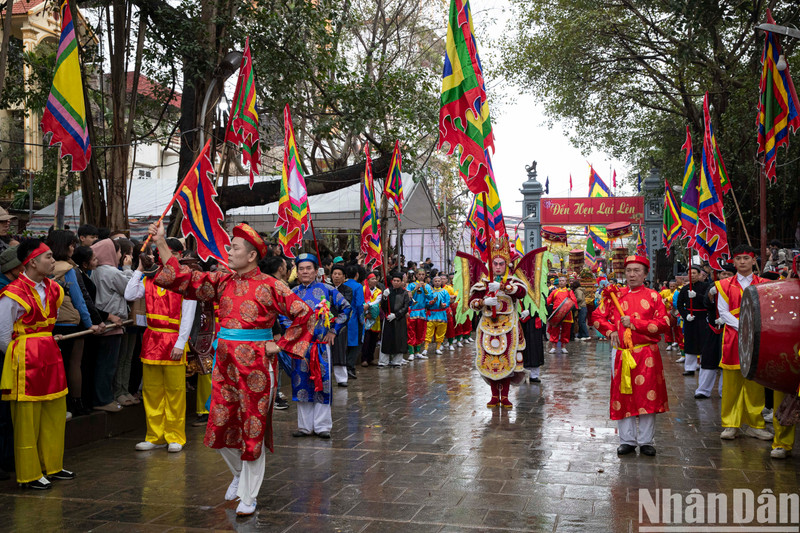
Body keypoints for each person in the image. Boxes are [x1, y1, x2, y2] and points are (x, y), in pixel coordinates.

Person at [147, 221, 315, 516]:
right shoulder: (223, 280)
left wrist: (280, 344)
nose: (229, 251)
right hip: (224, 365)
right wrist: (161, 243)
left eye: (235, 248)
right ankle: (239, 474)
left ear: (251, 255)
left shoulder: (271, 285)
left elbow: (305, 313)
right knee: (220, 423)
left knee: (253, 427)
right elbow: (186, 278)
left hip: (257, 367)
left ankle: (248, 495)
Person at [0, 239, 77, 489]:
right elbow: (3, 336)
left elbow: (49, 323)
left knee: (54, 411)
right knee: (27, 419)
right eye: (48, 257)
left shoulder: (54, 289)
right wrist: (23, 354)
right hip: (26, 361)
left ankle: (52, 466)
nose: (53, 261)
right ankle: (30, 473)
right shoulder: (12, 293)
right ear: (32, 262)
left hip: (50, 357)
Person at [592, 255, 670, 456]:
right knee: (623, 394)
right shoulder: (615, 295)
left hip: (647, 353)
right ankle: (626, 440)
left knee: (647, 395)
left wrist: (636, 324)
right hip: (622, 353)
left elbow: (664, 323)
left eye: (637, 270)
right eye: (629, 270)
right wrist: (610, 330)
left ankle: (646, 441)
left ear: (645, 274)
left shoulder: (654, 296)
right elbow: (597, 316)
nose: (632, 274)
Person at [126, 238, 197, 453]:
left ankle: (175, 435)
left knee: (175, 391)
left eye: (171, 253)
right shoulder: (151, 279)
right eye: (162, 253)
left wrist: (180, 343)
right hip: (152, 339)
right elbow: (129, 294)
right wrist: (139, 270)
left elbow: (188, 316)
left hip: (173, 340)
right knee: (152, 390)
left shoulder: (186, 280)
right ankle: (155, 436)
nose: (167, 258)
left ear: (179, 256)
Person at [285, 253, 349, 436]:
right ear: (297, 272)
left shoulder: (327, 290)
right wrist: (291, 332)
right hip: (300, 347)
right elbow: (282, 314)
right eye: (301, 269)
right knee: (301, 384)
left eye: (308, 268)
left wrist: (333, 330)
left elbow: (346, 308)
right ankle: (304, 427)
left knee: (323, 384)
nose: (305, 272)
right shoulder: (292, 293)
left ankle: (322, 427)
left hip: (320, 346)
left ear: (316, 271)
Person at [716, 245, 771, 441]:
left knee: (754, 382)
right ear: (733, 261)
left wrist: (752, 328)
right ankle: (730, 424)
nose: (742, 262)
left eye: (746, 258)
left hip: (757, 337)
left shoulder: (764, 284)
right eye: (738, 258)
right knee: (731, 383)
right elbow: (723, 312)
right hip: (733, 336)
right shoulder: (724, 285)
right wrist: (743, 326)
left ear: (753, 260)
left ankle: (755, 424)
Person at [468, 234, 528, 409]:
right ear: (491, 264)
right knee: (490, 360)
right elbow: (472, 303)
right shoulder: (483, 283)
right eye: (495, 264)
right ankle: (494, 396)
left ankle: (506, 396)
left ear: (506, 264)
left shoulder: (513, 281)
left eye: (502, 264)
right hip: (488, 327)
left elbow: (521, 292)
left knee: (506, 360)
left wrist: (502, 287)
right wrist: (483, 302)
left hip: (509, 328)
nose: (498, 267)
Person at [48, 230, 99, 419]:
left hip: (48, 323)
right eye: (71, 244)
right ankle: (75, 402)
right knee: (74, 364)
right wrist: (90, 323)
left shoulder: (42, 269)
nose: (73, 248)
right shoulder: (69, 269)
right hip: (70, 322)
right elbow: (80, 299)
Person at [90, 238, 134, 412]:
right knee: (108, 365)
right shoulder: (112, 272)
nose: (120, 255)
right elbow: (129, 290)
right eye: (118, 252)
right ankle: (103, 400)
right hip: (112, 322)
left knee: (102, 363)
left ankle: (103, 398)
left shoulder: (96, 271)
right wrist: (128, 269)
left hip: (101, 320)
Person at [695, 265, 734, 399]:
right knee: (708, 358)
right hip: (712, 327)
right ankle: (703, 389)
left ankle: (725, 391)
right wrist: (710, 296)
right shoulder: (713, 286)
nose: (726, 276)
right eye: (723, 274)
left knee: (726, 359)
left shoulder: (736, 288)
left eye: (729, 274)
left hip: (730, 328)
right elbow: (706, 304)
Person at [675, 266, 710, 378]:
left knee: (704, 342)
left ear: (699, 274)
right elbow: (680, 304)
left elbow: (708, 301)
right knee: (690, 343)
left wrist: (697, 296)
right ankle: (690, 368)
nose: (692, 275)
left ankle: (704, 365)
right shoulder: (684, 289)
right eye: (690, 273)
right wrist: (685, 315)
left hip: (702, 318)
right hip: (690, 319)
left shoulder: (706, 286)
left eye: (694, 273)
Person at [379, 272, 410, 367]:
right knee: (386, 340)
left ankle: (397, 361)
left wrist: (396, 315)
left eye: (398, 281)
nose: (396, 282)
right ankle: (383, 361)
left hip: (399, 320)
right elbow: (383, 306)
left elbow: (405, 307)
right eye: (394, 280)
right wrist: (384, 297)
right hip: (388, 319)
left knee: (399, 340)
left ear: (401, 282)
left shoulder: (404, 293)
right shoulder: (387, 291)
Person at [329, 264, 352, 387]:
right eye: (334, 274)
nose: (336, 276)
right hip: (326, 322)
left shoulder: (347, 290)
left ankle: (341, 378)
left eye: (339, 274)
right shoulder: (326, 287)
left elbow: (345, 304)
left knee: (339, 349)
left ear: (344, 277)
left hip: (340, 324)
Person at [343, 265, 364, 379]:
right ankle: (350, 367)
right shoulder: (358, 286)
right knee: (355, 344)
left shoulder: (343, 285)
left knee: (345, 343)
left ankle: (345, 367)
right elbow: (360, 304)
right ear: (357, 275)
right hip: (354, 318)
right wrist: (362, 319)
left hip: (343, 318)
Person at [546, 277, 577, 354]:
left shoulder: (569, 291)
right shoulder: (554, 291)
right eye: (560, 281)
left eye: (563, 281)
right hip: (556, 314)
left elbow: (573, 301)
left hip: (567, 314)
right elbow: (548, 300)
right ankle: (553, 346)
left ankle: (563, 346)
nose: (561, 282)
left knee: (566, 330)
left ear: (566, 282)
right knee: (554, 330)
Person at [406, 270, 432, 358]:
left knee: (420, 332)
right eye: (419, 274)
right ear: (416, 275)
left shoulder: (427, 286)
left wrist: (424, 288)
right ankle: (411, 353)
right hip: (412, 311)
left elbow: (430, 297)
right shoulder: (411, 285)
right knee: (411, 332)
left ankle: (417, 352)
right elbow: (408, 296)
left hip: (422, 312)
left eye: (423, 274)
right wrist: (415, 289)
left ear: (425, 276)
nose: (421, 276)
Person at [422, 276, 450, 356]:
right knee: (428, 332)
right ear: (433, 282)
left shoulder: (445, 292)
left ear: (441, 282)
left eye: (439, 281)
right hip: (431, 314)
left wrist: (443, 304)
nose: (437, 282)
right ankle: (425, 349)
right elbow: (426, 302)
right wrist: (432, 302)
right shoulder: (430, 292)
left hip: (441, 314)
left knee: (441, 332)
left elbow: (447, 302)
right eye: (435, 281)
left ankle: (438, 348)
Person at [361, 274, 382, 367]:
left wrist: (369, 306)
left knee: (373, 340)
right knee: (366, 339)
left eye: (375, 279)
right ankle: (364, 359)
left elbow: (377, 302)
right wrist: (366, 313)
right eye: (372, 279)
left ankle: (371, 358)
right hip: (366, 318)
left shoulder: (379, 291)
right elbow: (361, 302)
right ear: (368, 280)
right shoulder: (363, 289)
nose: (375, 280)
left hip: (375, 318)